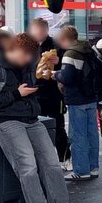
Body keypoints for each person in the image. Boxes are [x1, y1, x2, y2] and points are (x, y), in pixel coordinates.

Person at [0, 33, 83, 203]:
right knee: (27, 165)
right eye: (25, 55)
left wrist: (53, 66)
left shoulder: (26, 66)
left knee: (51, 161)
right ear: (12, 50)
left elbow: (41, 80)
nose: (28, 59)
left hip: (31, 118)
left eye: (30, 56)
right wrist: (17, 93)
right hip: (6, 120)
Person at [55, 25, 102, 182]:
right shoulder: (89, 50)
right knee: (92, 134)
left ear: (65, 39)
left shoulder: (70, 53)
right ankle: (94, 168)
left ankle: (80, 170)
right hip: (91, 98)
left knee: (78, 136)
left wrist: (55, 74)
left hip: (76, 99)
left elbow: (67, 77)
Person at [28, 18, 67, 165]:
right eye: (35, 31)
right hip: (33, 93)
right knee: (36, 127)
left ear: (46, 30)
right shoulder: (28, 45)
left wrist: (59, 61)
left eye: (40, 31)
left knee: (57, 126)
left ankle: (64, 157)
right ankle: (41, 159)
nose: (38, 34)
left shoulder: (56, 46)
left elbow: (67, 67)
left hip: (52, 94)